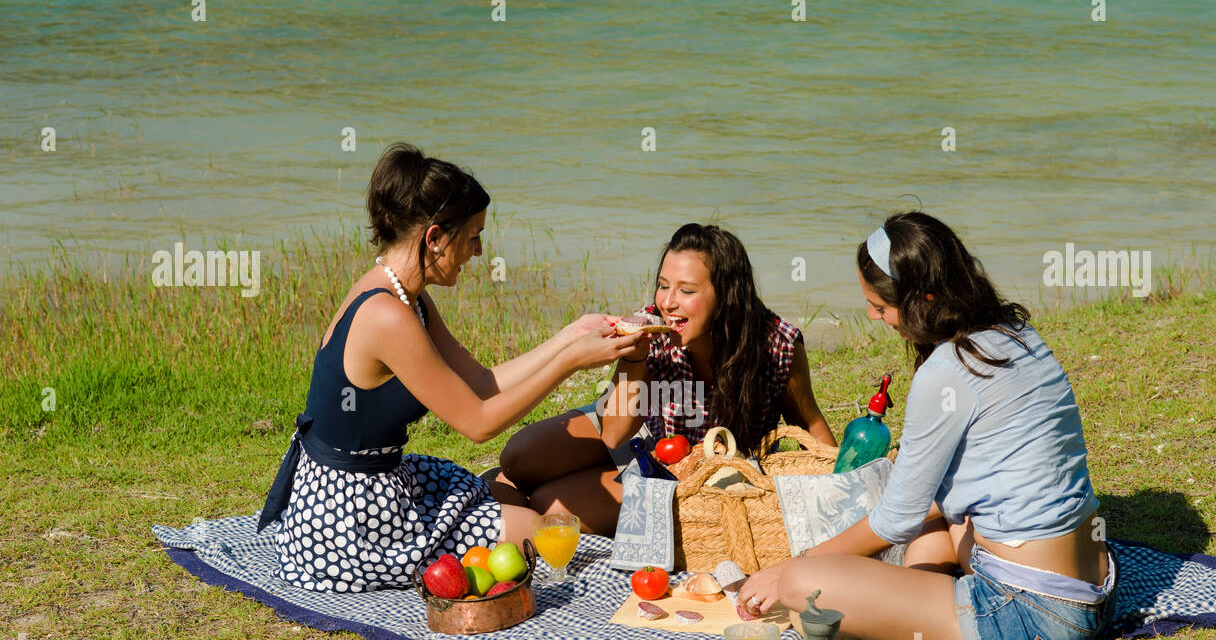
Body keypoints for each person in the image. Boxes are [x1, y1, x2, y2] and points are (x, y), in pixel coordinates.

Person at [738, 212, 1118, 640]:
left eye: (881, 307)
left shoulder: (947, 371)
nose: (875, 317)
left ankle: (915, 607)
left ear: (927, 299)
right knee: (934, 531)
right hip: (1096, 589)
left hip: (1030, 614)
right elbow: (937, 501)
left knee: (804, 587)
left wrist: (790, 566)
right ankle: (916, 599)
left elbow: (895, 520)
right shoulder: (1016, 335)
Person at [256, 143, 639, 592]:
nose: (477, 252)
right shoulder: (387, 316)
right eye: (473, 236)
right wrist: (571, 363)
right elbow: (478, 423)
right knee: (531, 530)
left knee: (503, 497)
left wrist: (570, 337)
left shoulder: (404, 296)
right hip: (348, 517)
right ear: (435, 237)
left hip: (377, 482)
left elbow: (480, 382)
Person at [491, 223, 835, 535]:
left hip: (682, 472)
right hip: (635, 426)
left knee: (548, 504)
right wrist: (637, 355)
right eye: (663, 286)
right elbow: (613, 432)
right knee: (518, 458)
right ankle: (502, 494)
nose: (668, 303)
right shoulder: (648, 331)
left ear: (726, 295)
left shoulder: (776, 345)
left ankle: (514, 504)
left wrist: (844, 484)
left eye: (686, 290)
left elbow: (809, 422)